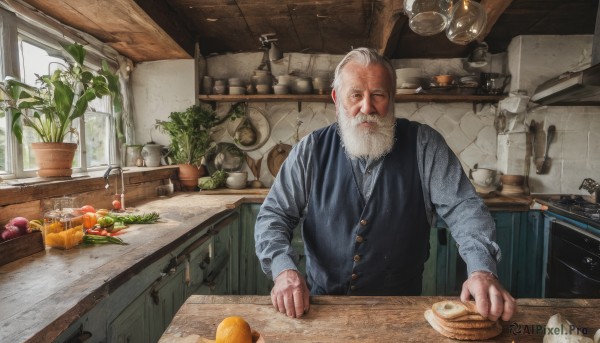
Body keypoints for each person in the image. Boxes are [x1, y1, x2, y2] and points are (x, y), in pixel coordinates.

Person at [254, 47, 515, 321]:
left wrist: (481, 271)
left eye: (378, 95)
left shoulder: (425, 145)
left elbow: (465, 209)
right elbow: (274, 215)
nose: (367, 108)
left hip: (402, 309)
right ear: (336, 98)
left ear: (392, 98)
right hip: (321, 308)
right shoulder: (310, 150)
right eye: (355, 95)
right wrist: (284, 270)